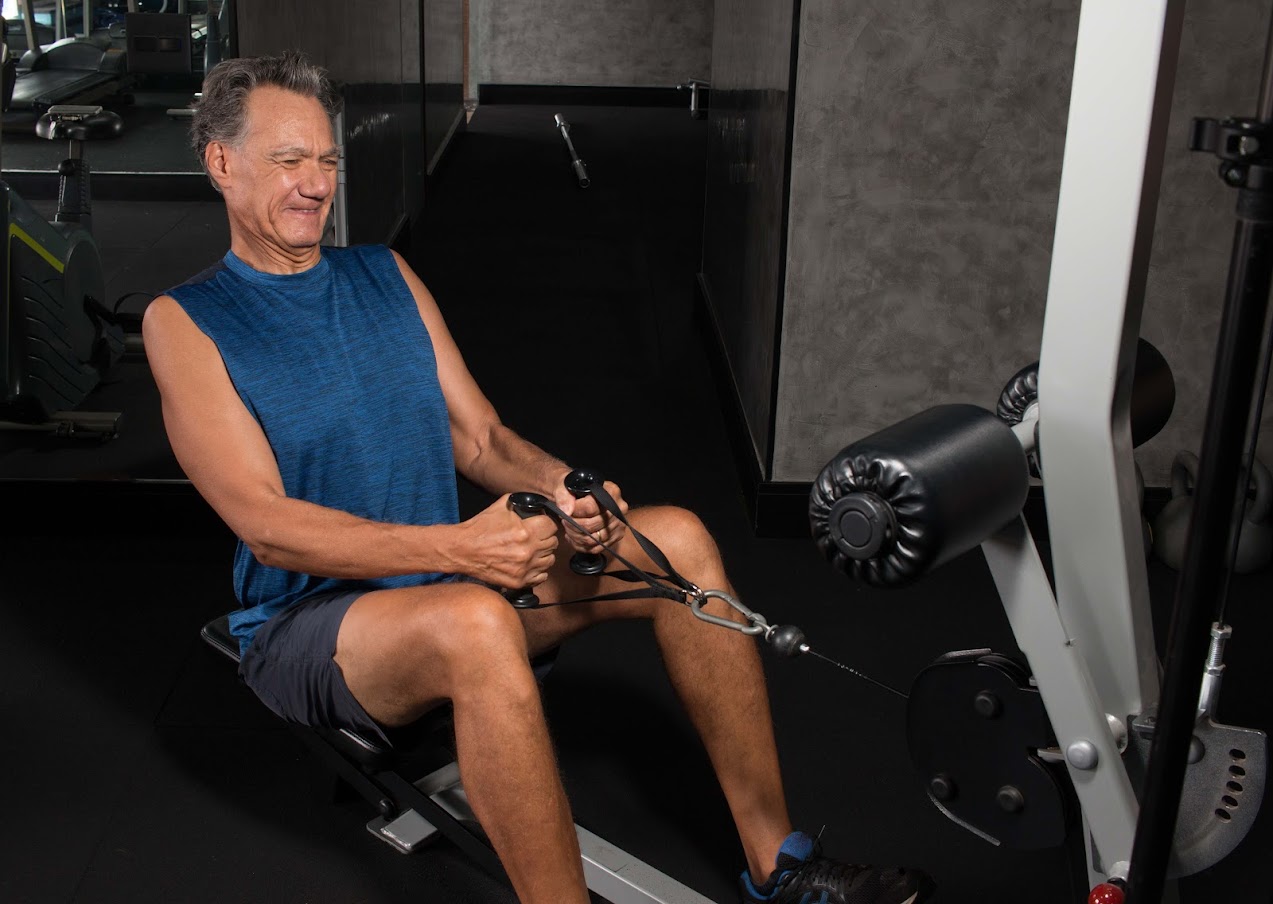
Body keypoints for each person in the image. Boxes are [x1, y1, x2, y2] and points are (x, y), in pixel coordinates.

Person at [143, 51, 930, 904]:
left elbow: (479, 437)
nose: (315, 183)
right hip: (312, 625)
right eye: (288, 161)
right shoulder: (188, 321)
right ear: (221, 162)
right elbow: (264, 522)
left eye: (326, 159)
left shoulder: (383, 275)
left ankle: (781, 863)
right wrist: (459, 548)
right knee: (474, 621)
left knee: (676, 541)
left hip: (444, 583)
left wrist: (565, 484)